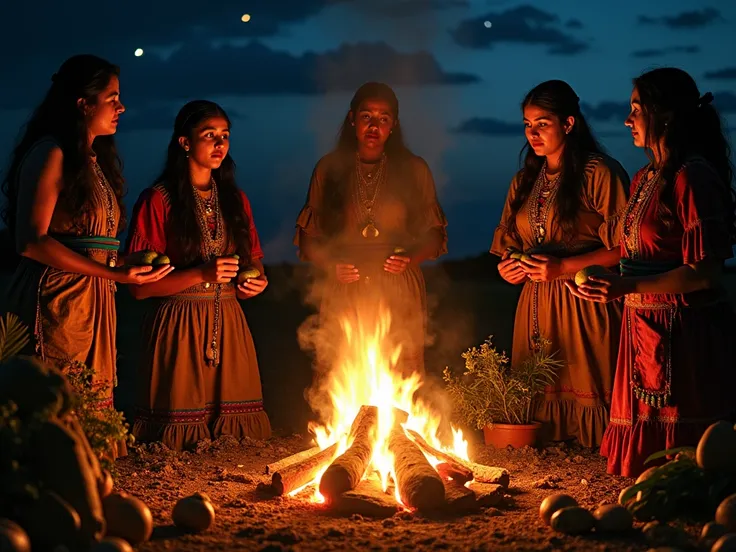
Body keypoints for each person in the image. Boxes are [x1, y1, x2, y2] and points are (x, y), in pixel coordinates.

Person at [567, 68, 736, 477]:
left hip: (683, 336)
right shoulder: (645, 178)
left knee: (686, 465)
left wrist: (627, 284)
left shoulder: (691, 177)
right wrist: (606, 277)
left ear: (665, 115)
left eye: (636, 110)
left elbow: (705, 274)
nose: (628, 120)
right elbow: (635, 251)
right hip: (641, 326)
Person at [0, 55, 171, 458]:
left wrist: (123, 266)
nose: (121, 107)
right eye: (112, 98)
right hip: (58, 301)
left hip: (94, 299)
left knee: (90, 410)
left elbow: (91, 244)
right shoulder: (50, 153)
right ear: (83, 103)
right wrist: (111, 275)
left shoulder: (91, 162)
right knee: (57, 404)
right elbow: (31, 241)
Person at [125, 100, 272, 451]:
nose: (220, 144)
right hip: (178, 327)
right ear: (185, 142)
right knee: (179, 443)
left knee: (236, 443)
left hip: (230, 327)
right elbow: (139, 291)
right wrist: (200, 274)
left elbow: (256, 263)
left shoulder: (236, 200)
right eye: (209, 135)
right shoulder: (157, 200)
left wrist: (255, 284)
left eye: (225, 135)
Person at [490, 80, 630, 448]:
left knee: (586, 385)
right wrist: (509, 271)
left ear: (568, 123)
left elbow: (627, 248)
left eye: (542, 123)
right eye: (526, 124)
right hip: (535, 305)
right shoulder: (524, 181)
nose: (532, 133)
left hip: (583, 299)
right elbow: (510, 249)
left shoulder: (599, 173)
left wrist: (562, 268)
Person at [294, 82, 447, 377]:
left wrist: (410, 258)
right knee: (344, 375)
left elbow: (434, 235)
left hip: (398, 284)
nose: (374, 126)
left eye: (384, 118)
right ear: (352, 119)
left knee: (399, 375)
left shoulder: (414, 169)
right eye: (367, 117)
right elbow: (307, 240)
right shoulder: (329, 169)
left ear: (394, 124)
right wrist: (331, 265)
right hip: (345, 283)